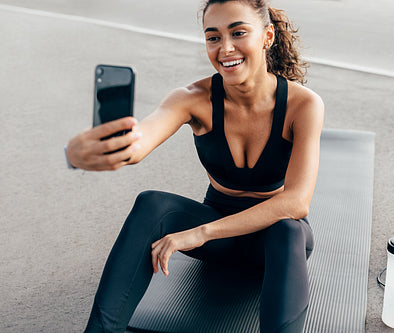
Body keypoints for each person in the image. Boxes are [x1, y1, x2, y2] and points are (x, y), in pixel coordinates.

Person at [66, 0, 324, 332]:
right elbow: (143, 139)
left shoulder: (303, 104)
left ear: (267, 36)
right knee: (152, 204)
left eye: (238, 32)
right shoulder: (192, 97)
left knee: (288, 228)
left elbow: (296, 202)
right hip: (219, 239)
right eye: (213, 37)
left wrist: (199, 233)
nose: (225, 48)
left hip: (272, 246)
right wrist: (116, 146)